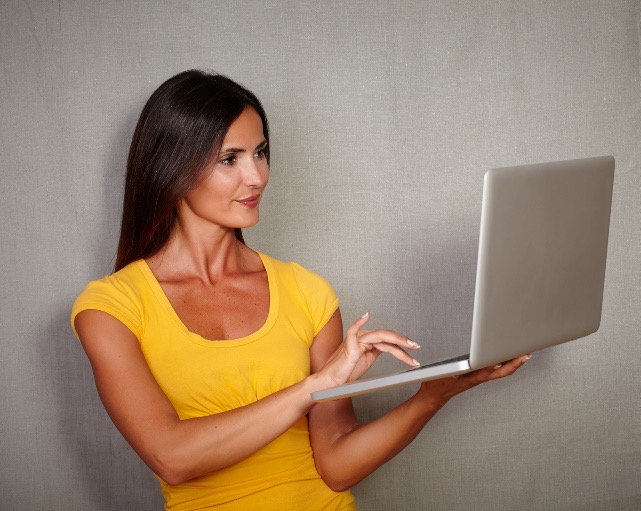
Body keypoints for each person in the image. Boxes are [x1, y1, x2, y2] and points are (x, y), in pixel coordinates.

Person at [71, 69, 531, 511]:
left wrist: (433, 395)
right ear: (171, 167)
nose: (257, 177)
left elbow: (336, 466)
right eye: (230, 159)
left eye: (260, 152)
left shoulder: (307, 292)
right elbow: (172, 457)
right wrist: (316, 386)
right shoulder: (112, 309)